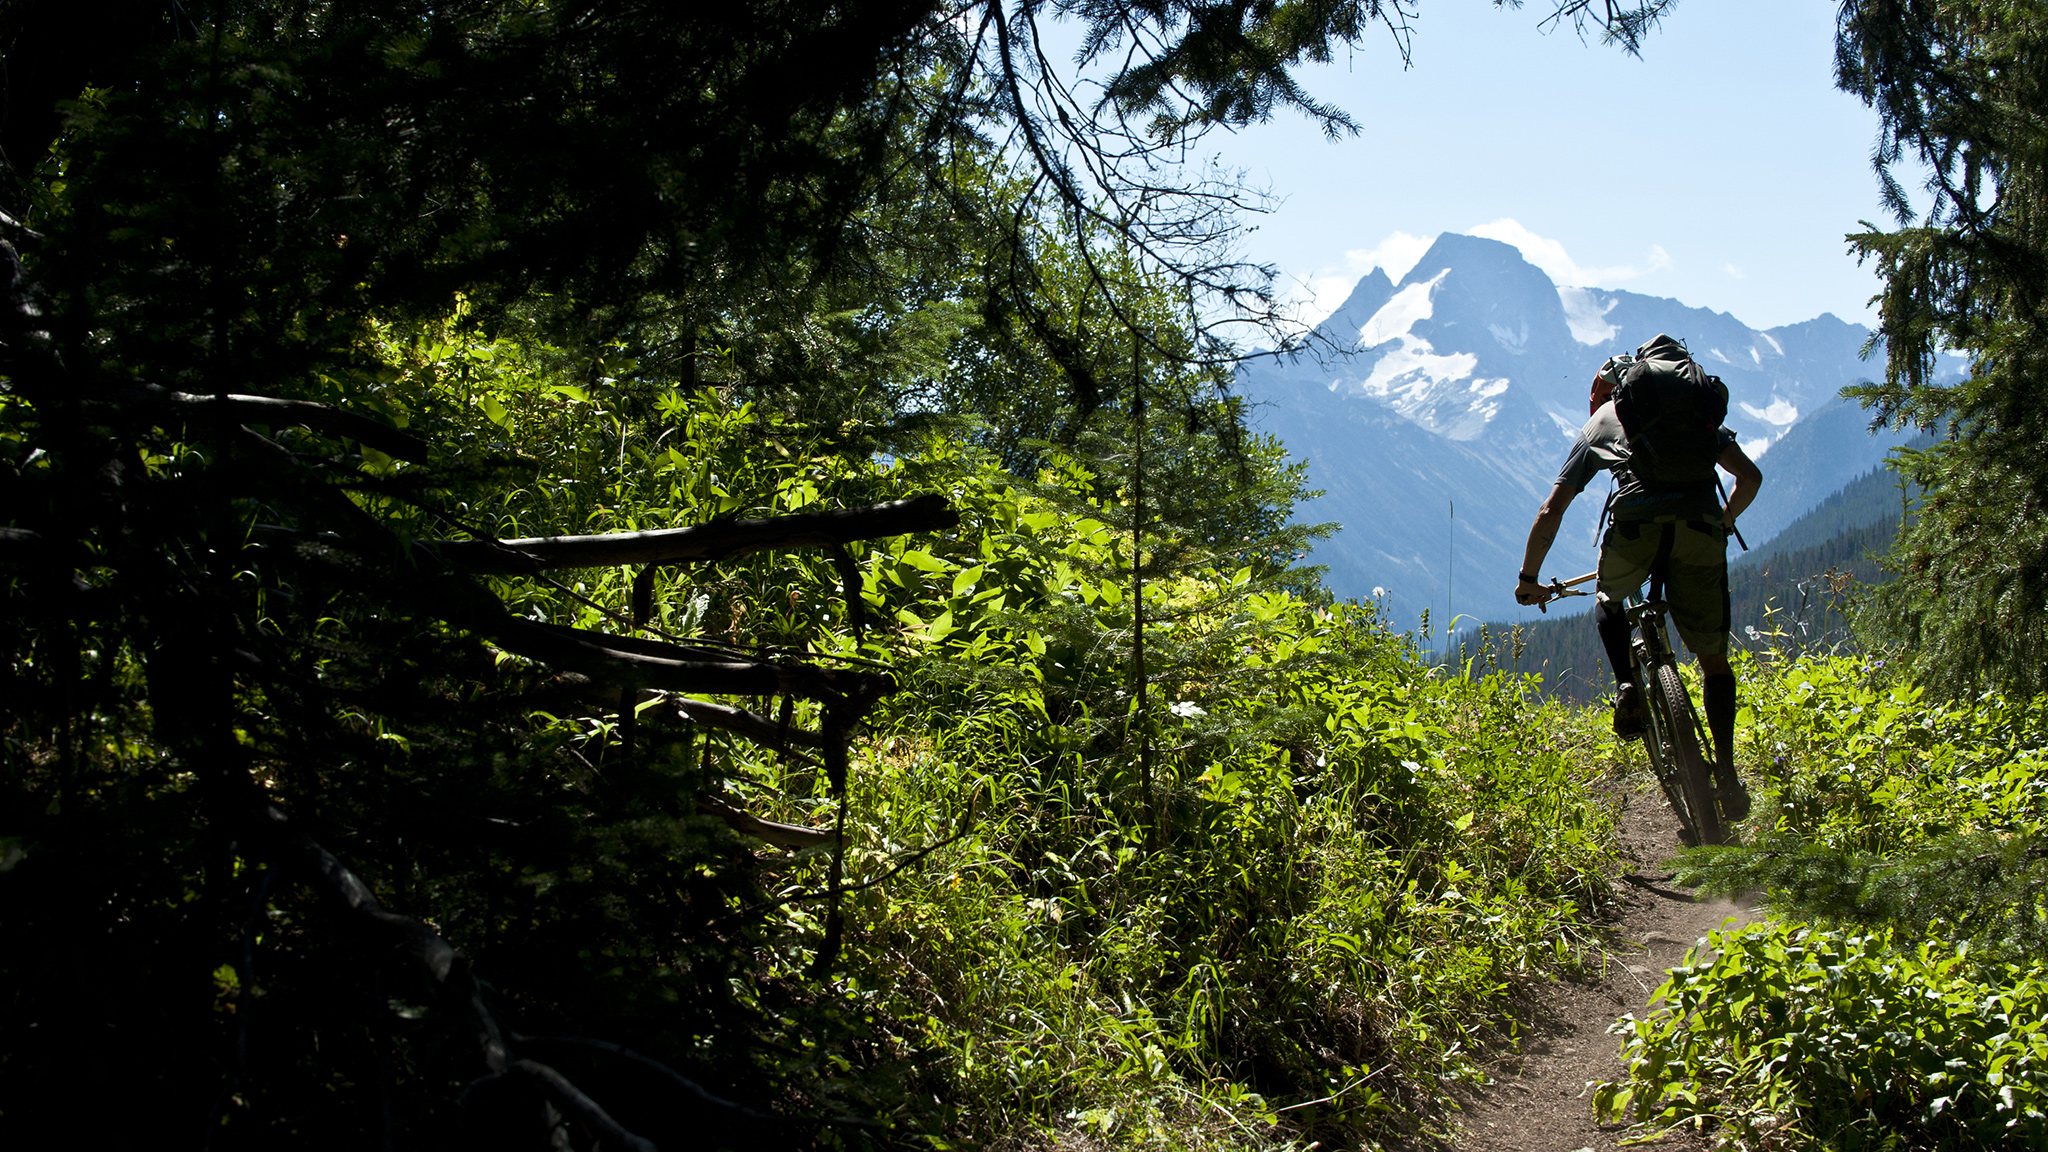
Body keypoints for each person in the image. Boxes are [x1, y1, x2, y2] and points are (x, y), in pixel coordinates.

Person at [1512, 334, 1762, 820]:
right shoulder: (1700, 417)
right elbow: (1749, 478)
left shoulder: (1604, 420)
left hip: (1636, 529)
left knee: (1609, 598)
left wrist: (1529, 577)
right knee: (1714, 661)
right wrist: (1723, 522)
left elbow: (1552, 508)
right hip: (1701, 530)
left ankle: (1627, 685)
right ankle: (1728, 775)